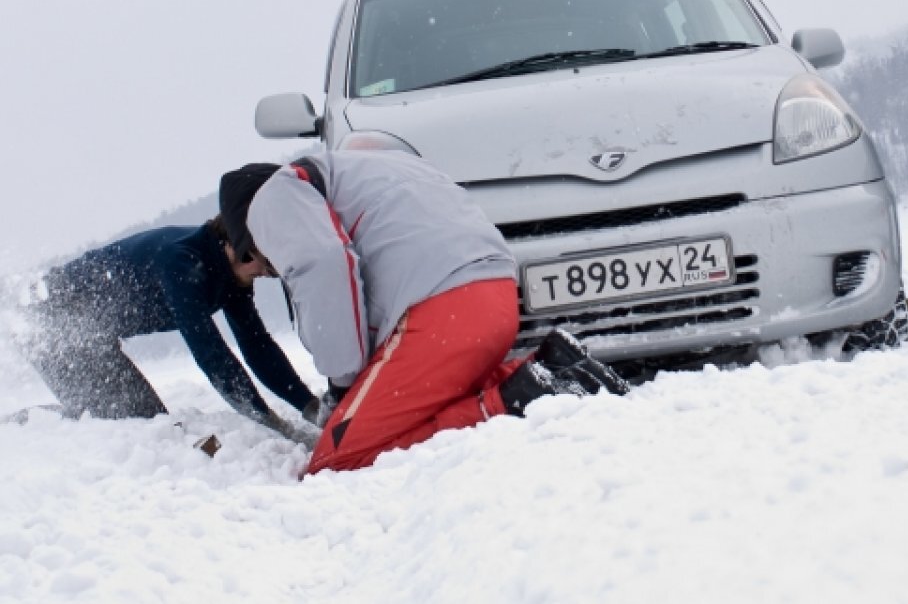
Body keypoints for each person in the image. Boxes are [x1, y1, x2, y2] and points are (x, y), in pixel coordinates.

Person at [218, 151, 629, 474]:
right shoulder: (375, 165)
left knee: (337, 458)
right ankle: (555, 369)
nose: (265, 267)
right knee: (433, 403)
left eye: (257, 257)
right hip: (494, 296)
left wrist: (344, 388)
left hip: (442, 313)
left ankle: (518, 398)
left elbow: (325, 265)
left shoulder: (273, 196)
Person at [16, 219, 321, 429]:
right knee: (139, 425)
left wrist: (311, 408)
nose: (265, 274)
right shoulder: (182, 261)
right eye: (263, 265)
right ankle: (23, 429)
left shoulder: (230, 274)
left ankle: (54, 420)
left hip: (87, 331)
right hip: (53, 322)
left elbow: (257, 345)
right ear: (236, 245)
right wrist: (265, 419)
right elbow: (210, 352)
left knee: (138, 422)